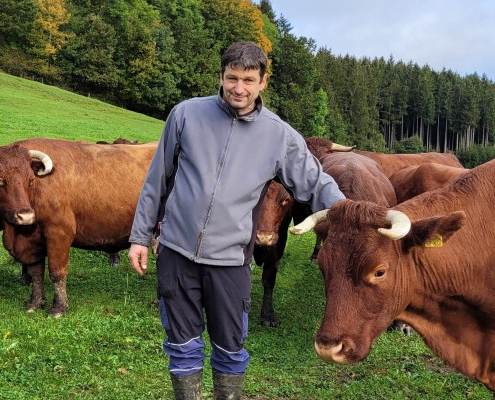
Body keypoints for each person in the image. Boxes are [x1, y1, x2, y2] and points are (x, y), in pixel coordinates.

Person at [127, 41, 346, 400]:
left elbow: (316, 182)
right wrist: (140, 237)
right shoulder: (185, 115)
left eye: (248, 80)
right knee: (181, 345)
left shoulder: (279, 135)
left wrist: (350, 213)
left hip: (230, 260)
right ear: (221, 76)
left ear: (263, 83)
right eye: (232, 78)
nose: (239, 88)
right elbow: (157, 179)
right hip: (176, 252)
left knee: (229, 348)